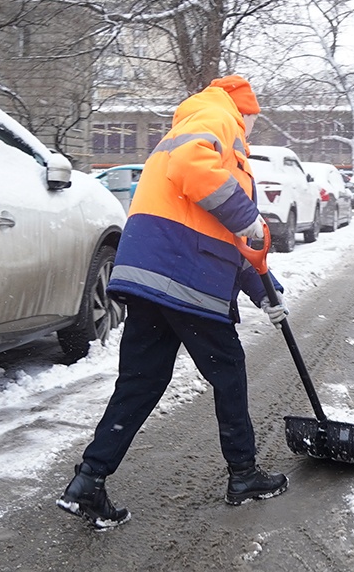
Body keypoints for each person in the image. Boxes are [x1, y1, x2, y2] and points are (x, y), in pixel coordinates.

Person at [57, 75, 290, 529]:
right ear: (244, 111)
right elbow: (193, 167)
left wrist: (266, 292)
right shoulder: (216, 117)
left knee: (141, 382)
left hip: (152, 275)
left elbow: (225, 236)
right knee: (228, 372)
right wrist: (247, 215)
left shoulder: (189, 125)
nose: (251, 129)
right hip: (186, 275)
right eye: (253, 120)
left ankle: (88, 481)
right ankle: (243, 475)